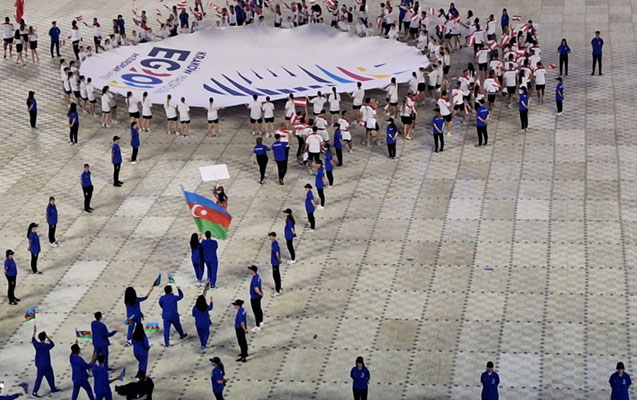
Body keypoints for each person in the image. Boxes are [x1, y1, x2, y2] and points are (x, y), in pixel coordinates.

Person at [31, 324, 60, 397]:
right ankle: (53, 388)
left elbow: (33, 339)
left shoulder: (37, 345)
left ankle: (35, 391)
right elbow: (52, 344)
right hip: (46, 364)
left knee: (39, 379)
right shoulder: (46, 346)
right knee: (50, 377)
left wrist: (34, 331)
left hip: (39, 365)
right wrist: (47, 337)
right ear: (44, 338)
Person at [248, 265, 263, 331]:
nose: (249, 271)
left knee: (256, 311)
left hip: (254, 297)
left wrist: (260, 294)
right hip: (258, 297)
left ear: (253, 271)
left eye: (250, 270)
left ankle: (257, 326)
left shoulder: (254, 279)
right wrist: (261, 294)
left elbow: (256, 289)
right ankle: (260, 321)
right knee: (259, 309)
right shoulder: (258, 277)